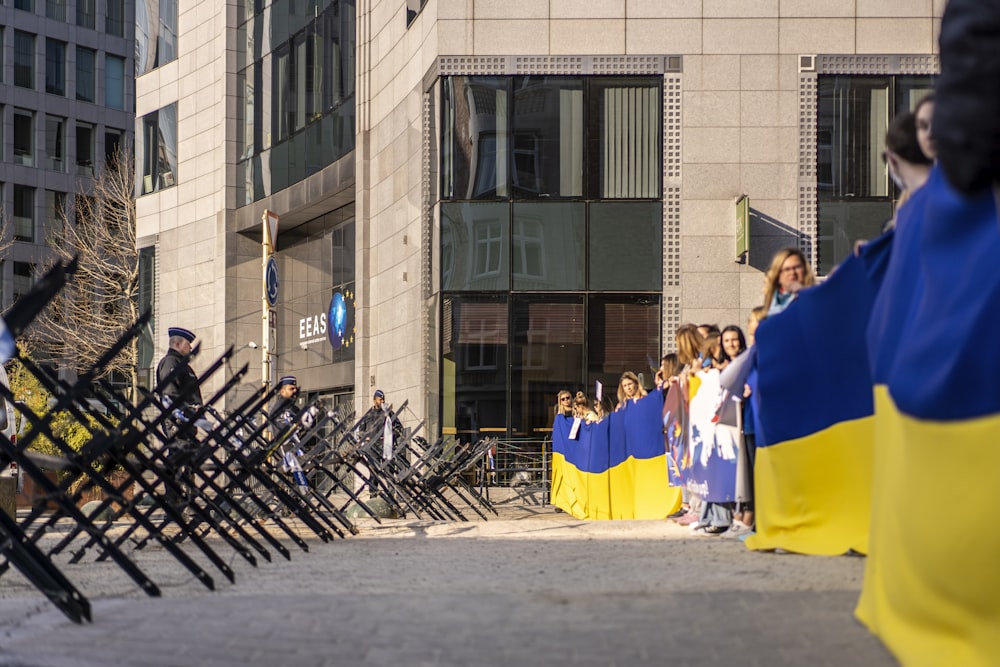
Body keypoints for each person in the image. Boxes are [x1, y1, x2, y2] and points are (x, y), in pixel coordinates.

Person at [156, 327, 202, 415]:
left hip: (189, 418)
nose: (190, 348)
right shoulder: (170, 362)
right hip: (178, 420)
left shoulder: (182, 365)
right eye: (187, 344)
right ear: (177, 344)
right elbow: (170, 392)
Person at [762, 248, 816, 316]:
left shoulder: (817, 300)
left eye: (797, 267)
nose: (792, 272)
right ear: (778, 274)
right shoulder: (772, 303)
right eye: (787, 269)